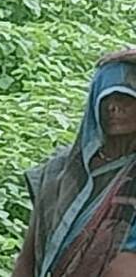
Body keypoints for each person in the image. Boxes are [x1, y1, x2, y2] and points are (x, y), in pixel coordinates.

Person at [11, 49, 136, 277]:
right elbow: (27, 258)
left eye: (125, 98)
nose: (113, 108)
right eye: (105, 99)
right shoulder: (61, 172)